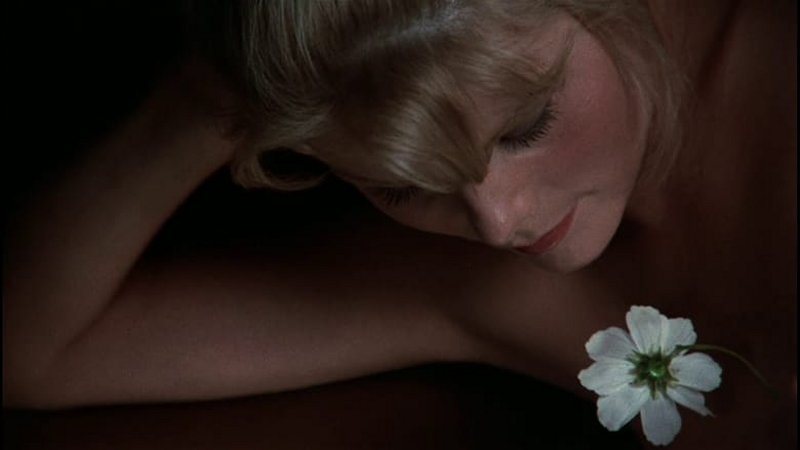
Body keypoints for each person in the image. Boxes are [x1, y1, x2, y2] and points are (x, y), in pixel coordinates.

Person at [4, 0, 795, 448]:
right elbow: (35, 353)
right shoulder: (464, 277)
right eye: (403, 185)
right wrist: (220, 91)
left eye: (526, 124)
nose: (499, 221)